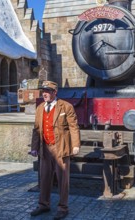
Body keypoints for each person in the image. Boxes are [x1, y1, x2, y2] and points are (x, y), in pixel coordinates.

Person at [30, 80, 80, 220]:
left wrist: (75, 145)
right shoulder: (40, 108)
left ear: (54, 92)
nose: (44, 94)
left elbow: (73, 127)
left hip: (61, 148)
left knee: (63, 179)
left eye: (47, 91)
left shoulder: (66, 107)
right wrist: (34, 148)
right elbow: (36, 130)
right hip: (45, 149)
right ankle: (43, 204)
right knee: (44, 178)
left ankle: (63, 208)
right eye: (43, 91)